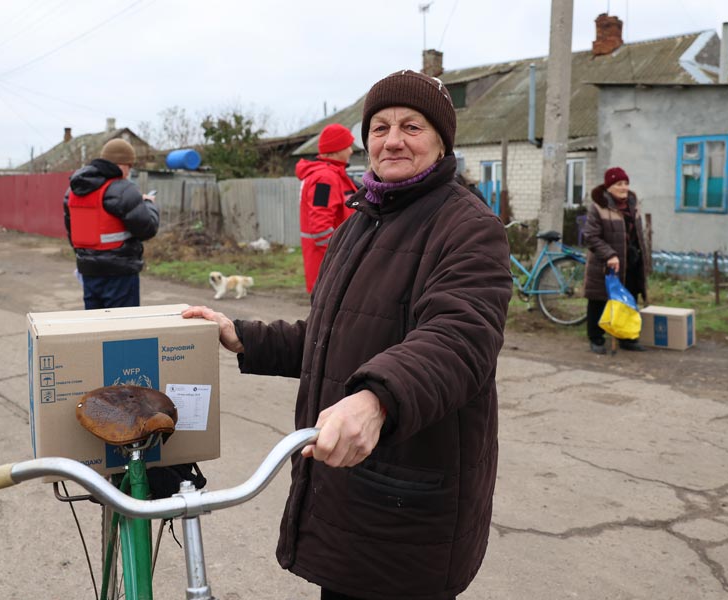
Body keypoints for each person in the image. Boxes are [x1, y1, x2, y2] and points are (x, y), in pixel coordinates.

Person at [184, 70, 512, 600]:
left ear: (441, 142)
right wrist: (243, 336)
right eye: (380, 128)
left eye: (412, 126)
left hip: (406, 500)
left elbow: (459, 338)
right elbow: (334, 335)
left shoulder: (468, 227)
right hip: (347, 490)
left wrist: (376, 399)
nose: (393, 140)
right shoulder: (360, 222)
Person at [63, 138, 159, 309]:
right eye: (129, 166)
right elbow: (147, 229)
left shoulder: (73, 191)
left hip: (89, 273)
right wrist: (148, 204)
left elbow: (73, 234)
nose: (128, 172)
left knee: (96, 323)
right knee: (122, 324)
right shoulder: (123, 189)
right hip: (120, 275)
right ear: (123, 165)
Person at [582, 167, 650, 354]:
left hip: (631, 262)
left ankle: (627, 338)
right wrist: (609, 255)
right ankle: (596, 338)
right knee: (599, 300)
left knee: (628, 300)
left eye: (626, 183)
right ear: (609, 187)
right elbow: (590, 236)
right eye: (619, 184)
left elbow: (637, 234)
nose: (624, 187)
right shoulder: (599, 206)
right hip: (605, 263)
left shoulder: (633, 205)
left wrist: (641, 257)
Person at [296, 123, 358, 293]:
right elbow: (320, 229)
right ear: (337, 149)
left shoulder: (331, 175)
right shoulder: (325, 179)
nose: (351, 151)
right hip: (331, 267)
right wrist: (342, 255)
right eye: (348, 146)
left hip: (332, 265)